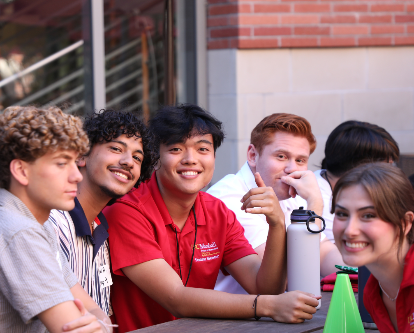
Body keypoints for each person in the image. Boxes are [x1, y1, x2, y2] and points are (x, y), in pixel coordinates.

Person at [103, 104, 320, 332]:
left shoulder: (217, 211)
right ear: (156, 157)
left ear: (214, 156)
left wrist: (276, 224)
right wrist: (266, 306)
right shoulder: (126, 212)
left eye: (202, 149)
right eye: (176, 149)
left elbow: (263, 286)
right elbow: (175, 298)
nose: (191, 159)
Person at [0, 106, 111, 333]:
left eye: (75, 162)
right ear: (21, 171)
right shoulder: (19, 229)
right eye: (61, 163)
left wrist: (98, 323)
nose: (77, 176)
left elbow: (94, 311)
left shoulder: (36, 220)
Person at [208, 113, 343, 295]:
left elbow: (324, 253)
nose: (291, 168)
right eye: (281, 156)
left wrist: (357, 273)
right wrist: (315, 204)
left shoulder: (288, 189)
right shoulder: (231, 199)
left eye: (300, 160)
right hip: (226, 320)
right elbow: (284, 281)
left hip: (265, 315)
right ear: (253, 155)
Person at [49, 110, 157, 315]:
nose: (128, 162)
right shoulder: (52, 223)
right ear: (81, 155)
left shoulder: (101, 231)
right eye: (116, 148)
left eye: (137, 157)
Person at [331, 162, 414, 333]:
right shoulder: (372, 294)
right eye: (342, 214)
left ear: (404, 224)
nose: (350, 230)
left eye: (368, 215)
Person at [317, 120, 399, 242]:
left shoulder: (327, 183)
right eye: (387, 166)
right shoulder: (317, 202)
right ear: (360, 169)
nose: (390, 173)